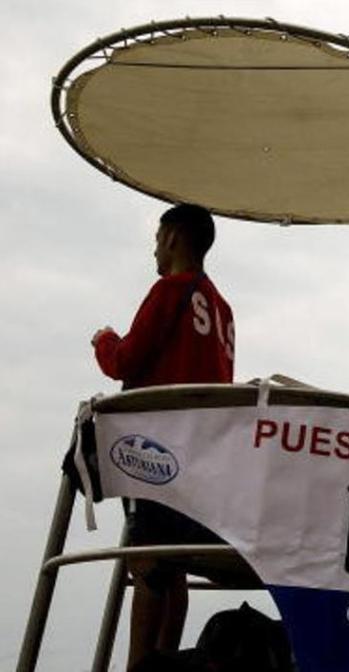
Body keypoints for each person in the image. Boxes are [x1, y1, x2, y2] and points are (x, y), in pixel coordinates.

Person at [91, 203, 235, 670]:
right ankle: (167, 662)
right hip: (204, 456)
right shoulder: (223, 309)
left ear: (173, 237)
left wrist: (104, 339)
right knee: (173, 563)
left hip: (158, 450)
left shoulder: (168, 290)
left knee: (148, 562)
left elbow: (125, 361)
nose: (155, 247)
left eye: (158, 237)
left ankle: (139, 666)